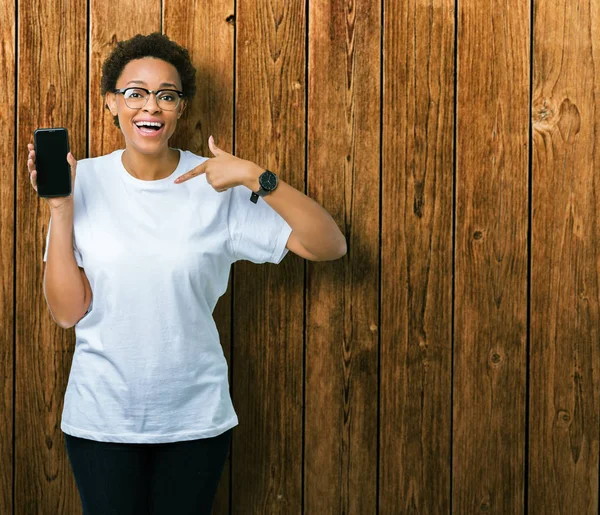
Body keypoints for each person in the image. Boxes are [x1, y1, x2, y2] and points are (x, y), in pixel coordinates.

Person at [27, 32, 346, 515]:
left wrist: (254, 175)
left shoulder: (217, 182)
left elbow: (329, 244)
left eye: (166, 95)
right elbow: (68, 313)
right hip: (102, 420)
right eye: (134, 92)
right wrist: (61, 207)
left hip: (195, 422)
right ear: (111, 102)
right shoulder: (81, 181)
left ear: (180, 108)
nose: (149, 107)